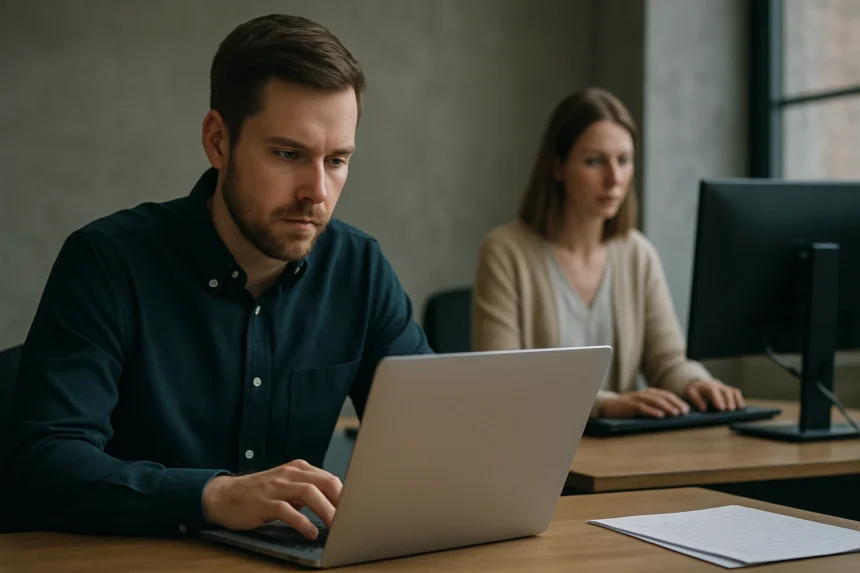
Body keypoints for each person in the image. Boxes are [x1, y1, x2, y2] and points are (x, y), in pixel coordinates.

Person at [6, 14, 431, 540]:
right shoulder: (106, 263)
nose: (317, 191)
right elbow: (42, 466)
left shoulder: (360, 270)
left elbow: (430, 439)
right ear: (217, 141)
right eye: (288, 154)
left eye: (337, 160)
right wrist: (213, 495)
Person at [472, 87, 743, 419]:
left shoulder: (638, 254)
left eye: (624, 160)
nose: (614, 178)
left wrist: (696, 383)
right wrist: (603, 405)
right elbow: (502, 379)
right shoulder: (505, 251)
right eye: (594, 161)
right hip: (534, 452)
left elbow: (668, 360)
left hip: (619, 456)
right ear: (558, 167)